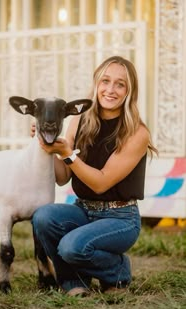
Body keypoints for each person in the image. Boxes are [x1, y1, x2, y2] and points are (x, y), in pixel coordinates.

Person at [31, 55, 158, 296]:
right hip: (83, 209)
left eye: (120, 84)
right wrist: (46, 143)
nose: (110, 89)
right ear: (96, 84)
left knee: (71, 247)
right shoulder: (80, 119)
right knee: (43, 217)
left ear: (129, 91)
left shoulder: (137, 132)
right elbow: (62, 176)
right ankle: (75, 283)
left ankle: (118, 272)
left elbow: (100, 183)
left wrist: (68, 153)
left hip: (120, 218)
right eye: (105, 81)